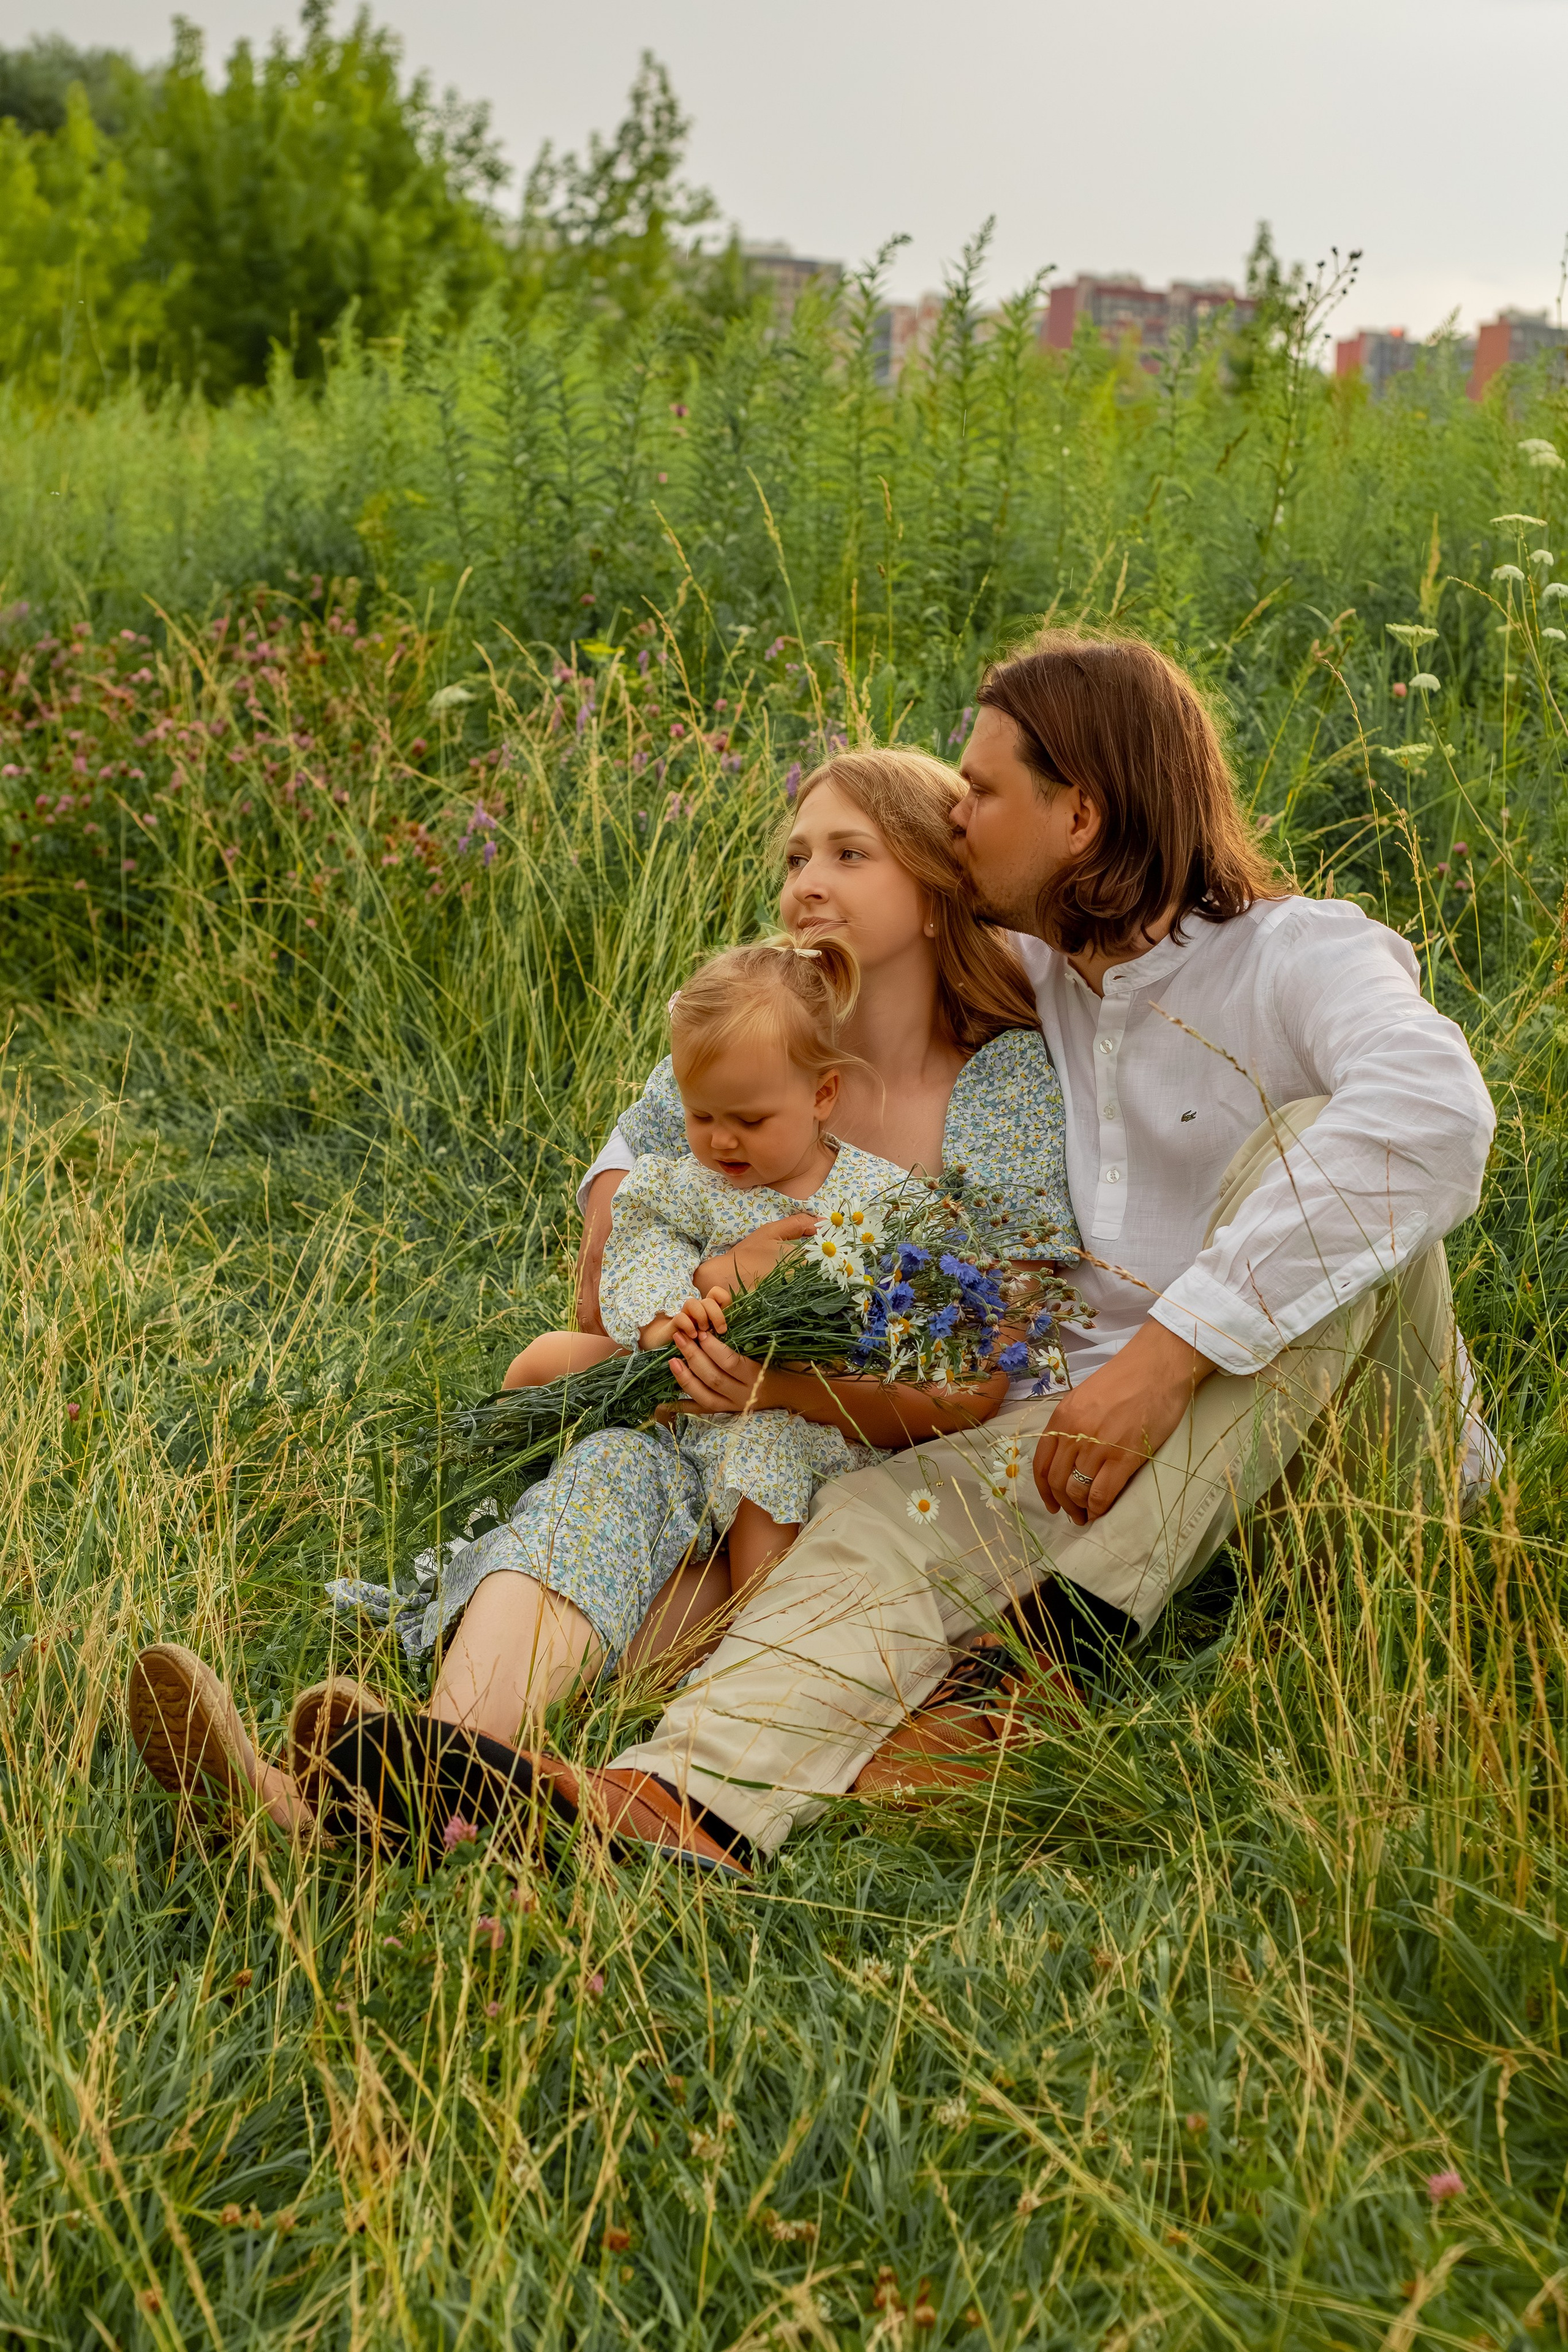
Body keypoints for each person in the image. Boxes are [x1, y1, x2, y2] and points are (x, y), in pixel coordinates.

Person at [470, 627, 1493, 1861]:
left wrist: (1166, 1355)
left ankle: (1043, 1655)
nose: (955, 818)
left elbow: (1433, 1114)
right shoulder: (1038, 976)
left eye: (983, 792)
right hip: (1080, 1450)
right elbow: (775, 1026)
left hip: (1346, 1473)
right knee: (877, 1523)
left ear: (1079, 817)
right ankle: (680, 1802)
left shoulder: (1297, 955)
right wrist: (633, 1186)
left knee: (1319, 1148)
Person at [126, 748, 1079, 1870]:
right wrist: (686, 1315)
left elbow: (981, 1370)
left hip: (868, 1476)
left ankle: (363, 1792)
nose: (806, 883)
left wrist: (783, 1381)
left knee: (729, 1563)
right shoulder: (748, 1038)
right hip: (688, 1432)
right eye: (795, 857)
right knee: (608, 1481)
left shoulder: (1003, 1084)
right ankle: (405, 1779)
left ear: (932, 888)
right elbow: (618, 1260)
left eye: (849, 855)